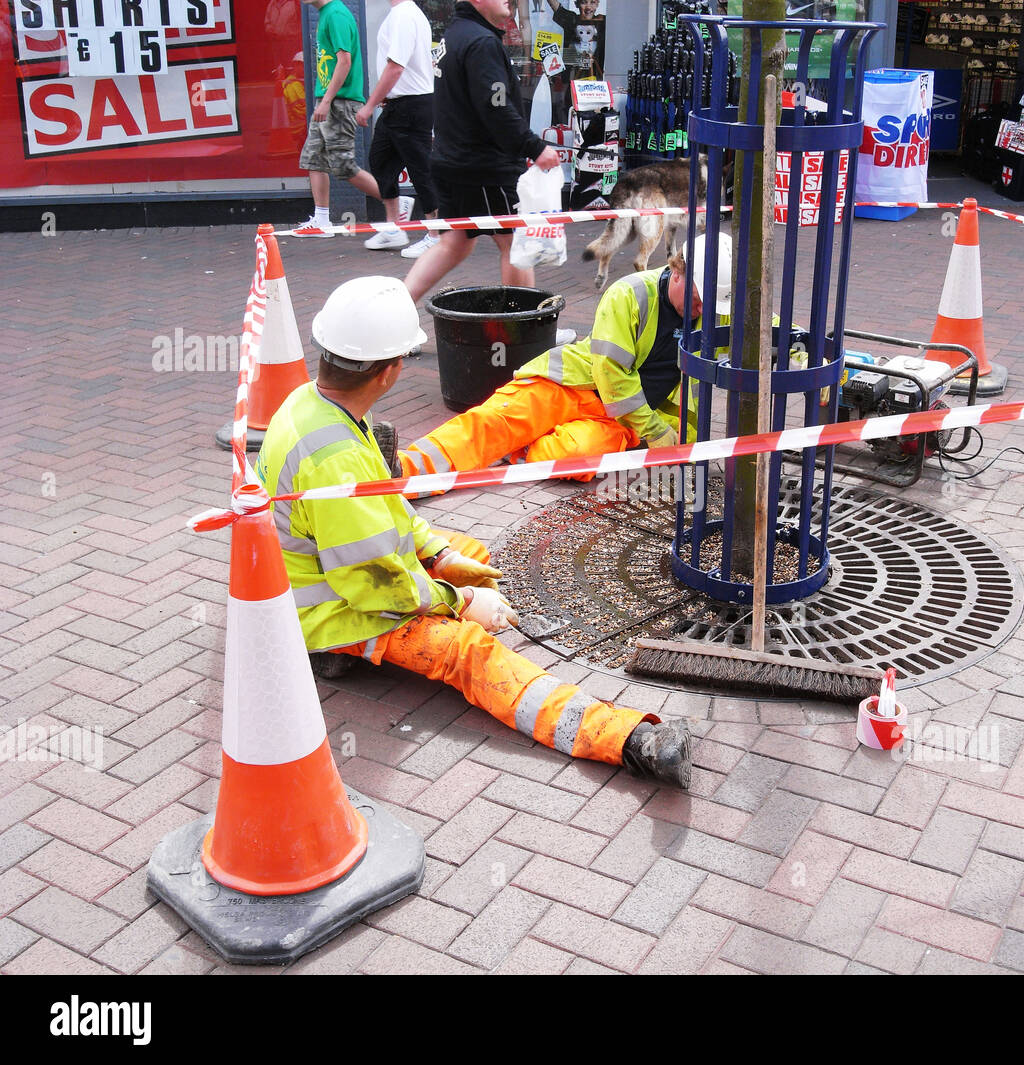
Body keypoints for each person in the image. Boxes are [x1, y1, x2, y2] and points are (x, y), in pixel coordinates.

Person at [254, 276, 692, 788]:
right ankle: (629, 740)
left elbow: (387, 509)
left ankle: (442, 607)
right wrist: (459, 604)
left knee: (473, 553)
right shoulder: (339, 458)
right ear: (391, 369)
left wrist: (439, 554)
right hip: (332, 607)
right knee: (469, 653)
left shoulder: (313, 404)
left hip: (330, 565)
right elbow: (374, 582)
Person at [396, 234, 731, 484]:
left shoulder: (716, 309)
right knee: (494, 422)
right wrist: (656, 431)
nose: (703, 312)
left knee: (576, 458)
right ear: (677, 272)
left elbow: (772, 328)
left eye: (712, 305)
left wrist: (786, 345)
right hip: (568, 385)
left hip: (620, 420)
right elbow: (613, 375)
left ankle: (515, 448)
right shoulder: (631, 293)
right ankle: (402, 468)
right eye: (700, 301)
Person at [403, 0, 561, 302]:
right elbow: (496, 107)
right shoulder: (481, 42)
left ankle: (394, 315)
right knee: (515, 243)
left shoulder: (456, 35)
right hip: (485, 167)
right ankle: (523, 331)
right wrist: (535, 147)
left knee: (455, 244)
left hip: (453, 163)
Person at [292, 0, 410, 238]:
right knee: (313, 159)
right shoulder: (327, 13)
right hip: (329, 98)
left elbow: (344, 61)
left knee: (344, 166)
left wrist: (326, 100)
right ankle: (322, 221)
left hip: (339, 101)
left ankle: (397, 202)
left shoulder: (336, 14)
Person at [357, 0, 440, 255]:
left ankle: (436, 234)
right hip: (397, 104)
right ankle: (394, 228)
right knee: (380, 160)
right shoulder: (399, 14)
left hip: (412, 105)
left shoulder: (405, 15)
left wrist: (369, 105)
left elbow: (396, 66)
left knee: (421, 170)